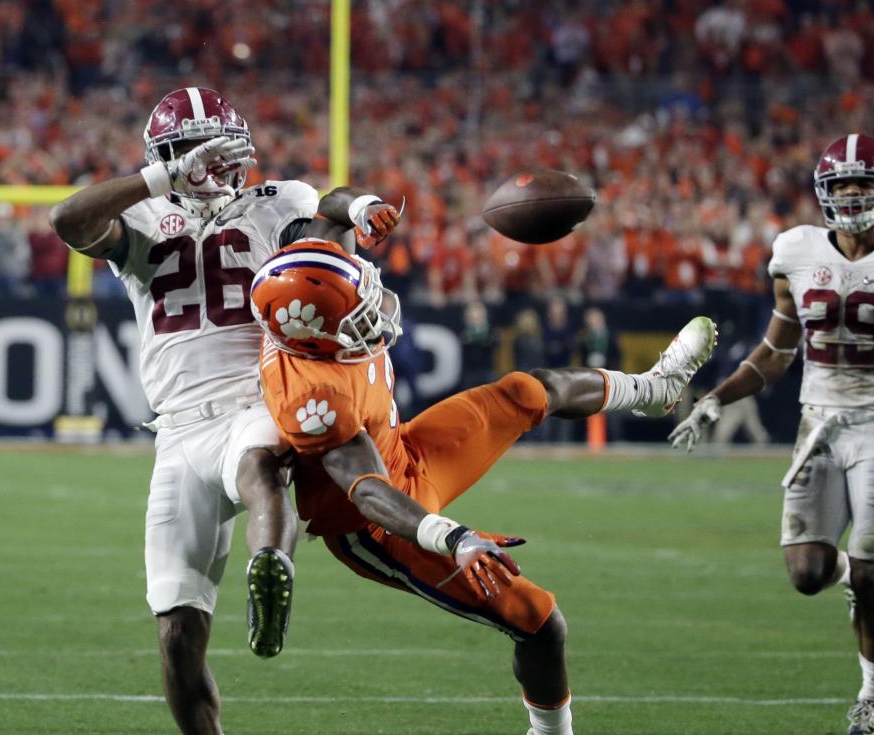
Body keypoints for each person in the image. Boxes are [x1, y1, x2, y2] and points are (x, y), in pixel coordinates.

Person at [250, 239, 717, 735]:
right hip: (380, 522)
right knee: (539, 620)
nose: (378, 313)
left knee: (525, 391)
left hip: (404, 450)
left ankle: (654, 390)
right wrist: (452, 537)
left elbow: (323, 219)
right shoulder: (314, 397)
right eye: (359, 317)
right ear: (315, 338)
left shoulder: (307, 305)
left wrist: (361, 208)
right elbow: (368, 490)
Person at [48, 87, 400, 735]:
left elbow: (332, 204)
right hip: (178, 429)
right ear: (165, 157)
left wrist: (367, 204)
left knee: (260, 465)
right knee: (178, 637)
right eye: (190, 154)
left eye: (218, 151)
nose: (208, 166)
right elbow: (66, 219)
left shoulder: (276, 203)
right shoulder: (146, 216)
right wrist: (162, 179)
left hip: (255, 395)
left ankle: (273, 565)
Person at [669, 133, 874, 735]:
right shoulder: (795, 252)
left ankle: (871, 695)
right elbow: (777, 351)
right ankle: (855, 583)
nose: (856, 195)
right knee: (809, 572)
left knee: (869, 570)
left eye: (865, 184)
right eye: (845, 186)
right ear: (824, 194)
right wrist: (714, 399)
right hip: (819, 421)